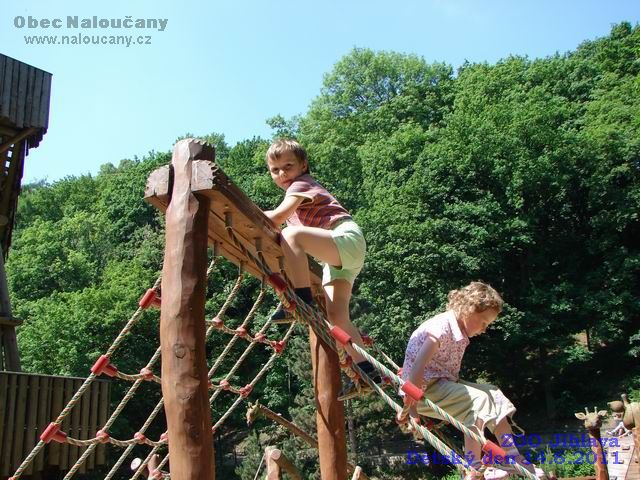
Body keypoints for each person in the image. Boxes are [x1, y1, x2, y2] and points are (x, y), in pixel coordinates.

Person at [262, 139, 379, 398]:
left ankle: (301, 301)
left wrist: (249, 214)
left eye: (288, 166)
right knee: (337, 317)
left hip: (345, 238)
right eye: (275, 170)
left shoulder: (302, 184)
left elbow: (278, 218)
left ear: (303, 165)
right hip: (338, 261)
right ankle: (367, 371)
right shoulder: (294, 186)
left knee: (291, 235)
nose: (282, 174)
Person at [400, 281, 544, 480]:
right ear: (468, 310)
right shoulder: (440, 329)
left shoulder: (459, 330)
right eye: (484, 322)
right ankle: (474, 467)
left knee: (493, 393)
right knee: (477, 400)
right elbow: (417, 367)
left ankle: (512, 456)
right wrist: (412, 410)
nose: (484, 330)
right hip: (424, 392)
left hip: (442, 384)